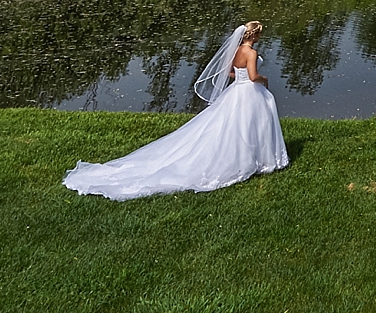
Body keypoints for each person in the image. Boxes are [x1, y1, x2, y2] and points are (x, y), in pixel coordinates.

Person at [63, 20, 289, 200]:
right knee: (252, 126)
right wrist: (264, 79)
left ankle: (250, 159)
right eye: (259, 34)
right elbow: (252, 76)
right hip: (249, 91)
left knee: (235, 127)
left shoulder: (236, 50)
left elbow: (229, 73)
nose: (260, 37)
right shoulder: (250, 52)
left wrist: (239, 77)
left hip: (235, 92)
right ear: (254, 35)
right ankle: (259, 161)